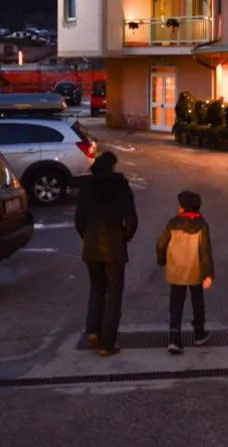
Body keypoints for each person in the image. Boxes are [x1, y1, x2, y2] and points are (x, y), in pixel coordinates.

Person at [74, 151, 137, 357]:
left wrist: (87, 236)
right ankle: (106, 345)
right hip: (114, 247)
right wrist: (124, 236)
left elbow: (79, 220)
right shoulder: (121, 186)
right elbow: (131, 220)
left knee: (97, 289)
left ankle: (93, 330)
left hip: (91, 247)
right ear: (111, 167)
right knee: (114, 294)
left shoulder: (86, 187)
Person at [156, 190, 215, 355]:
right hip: (195, 269)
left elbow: (161, 244)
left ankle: (174, 339)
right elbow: (205, 251)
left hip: (176, 270)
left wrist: (162, 260)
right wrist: (208, 274)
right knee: (197, 302)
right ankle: (199, 333)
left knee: (176, 304)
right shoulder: (202, 225)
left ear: (182, 208)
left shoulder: (173, 223)